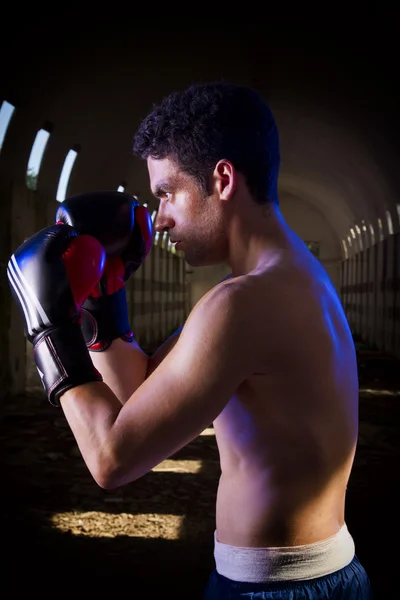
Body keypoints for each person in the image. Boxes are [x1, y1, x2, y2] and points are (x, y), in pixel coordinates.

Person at [8, 81, 373, 599]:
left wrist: (49, 327)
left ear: (222, 179)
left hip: (274, 591)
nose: (159, 220)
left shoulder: (239, 306)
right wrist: (103, 301)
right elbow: (143, 395)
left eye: (167, 193)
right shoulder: (292, 279)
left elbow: (112, 460)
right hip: (316, 574)